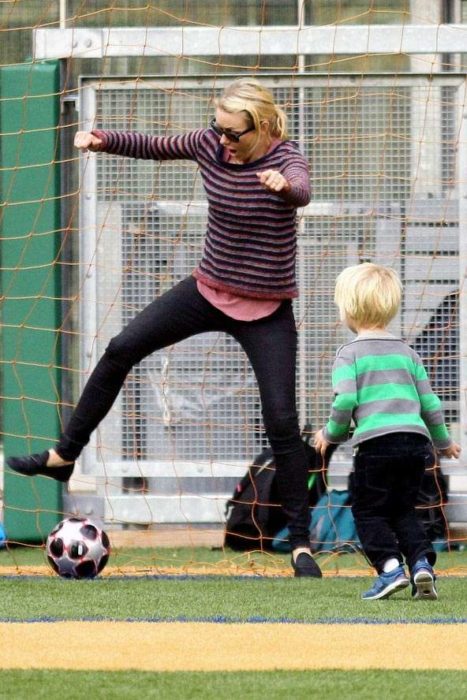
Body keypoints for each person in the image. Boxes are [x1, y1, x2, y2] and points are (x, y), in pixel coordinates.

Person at [7, 78, 321, 578]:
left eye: (233, 134)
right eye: (217, 129)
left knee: (282, 421)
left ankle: (302, 545)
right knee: (120, 347)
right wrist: (102, 138)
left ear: (260, 128)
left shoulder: (286, 158)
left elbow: (301, 187)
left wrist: (286, 188)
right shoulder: (208, 144)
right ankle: (65, 453)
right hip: (207, 290)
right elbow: (155, 146)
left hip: (266, 310)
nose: (222, 140)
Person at [314, 262, 461, 600]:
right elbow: (431, 405)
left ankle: (390, 569)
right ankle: (422, 565)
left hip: (376, 447)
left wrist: (330, 434)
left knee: (368, 512)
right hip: (415, 446)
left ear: (348, 310)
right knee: (403, 512)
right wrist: (444, 444)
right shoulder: (409, 353)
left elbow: (346, 400)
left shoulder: (348, 354)